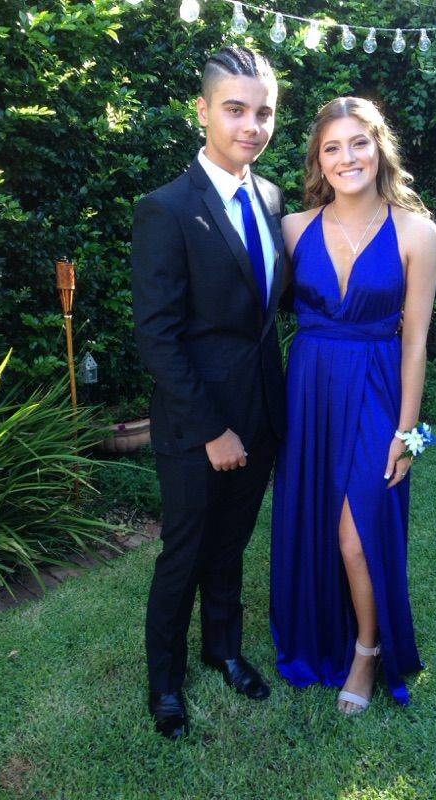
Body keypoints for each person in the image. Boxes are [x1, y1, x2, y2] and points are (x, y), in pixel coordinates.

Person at [132, 46, 286, 740]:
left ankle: (222, 648)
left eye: (264, 113)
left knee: (231, 547)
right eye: (236, 109)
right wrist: (213, 430)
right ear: (203, 111)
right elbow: (158, 336)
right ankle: (164, 680)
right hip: (199, 425)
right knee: (186, 552)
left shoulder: (272, 198)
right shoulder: (166, 209)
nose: (252, 125)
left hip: (262, 413)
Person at [271, 97, 436, 714]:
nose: (348, 157)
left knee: (356, 532)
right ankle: (320, 637)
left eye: (359, 143)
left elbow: (417, 339)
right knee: (314, 521)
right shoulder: (292, 228)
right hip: (310, 391)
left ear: (379, 147)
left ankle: (368, 651)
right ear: (319, 160)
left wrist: (407, 431)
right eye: (333, 147)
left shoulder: (417, 231)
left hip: (376, 390)